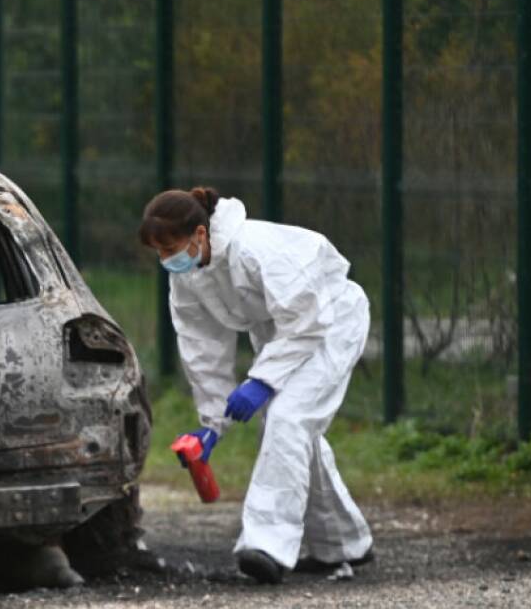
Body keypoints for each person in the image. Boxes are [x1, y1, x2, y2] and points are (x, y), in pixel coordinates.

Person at [139, 186, 374, 584]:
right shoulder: (189, 279)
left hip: (331, 320)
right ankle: (343, 544)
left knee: (288, 418)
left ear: (199, 234)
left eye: (171, 247)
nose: (166, 260)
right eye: (159, 252)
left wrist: (263, 380)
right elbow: (202, 350)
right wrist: (212, 425)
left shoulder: (253, 248)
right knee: (291, 430)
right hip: (282, 333)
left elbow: (308, 319)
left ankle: (266, 544)